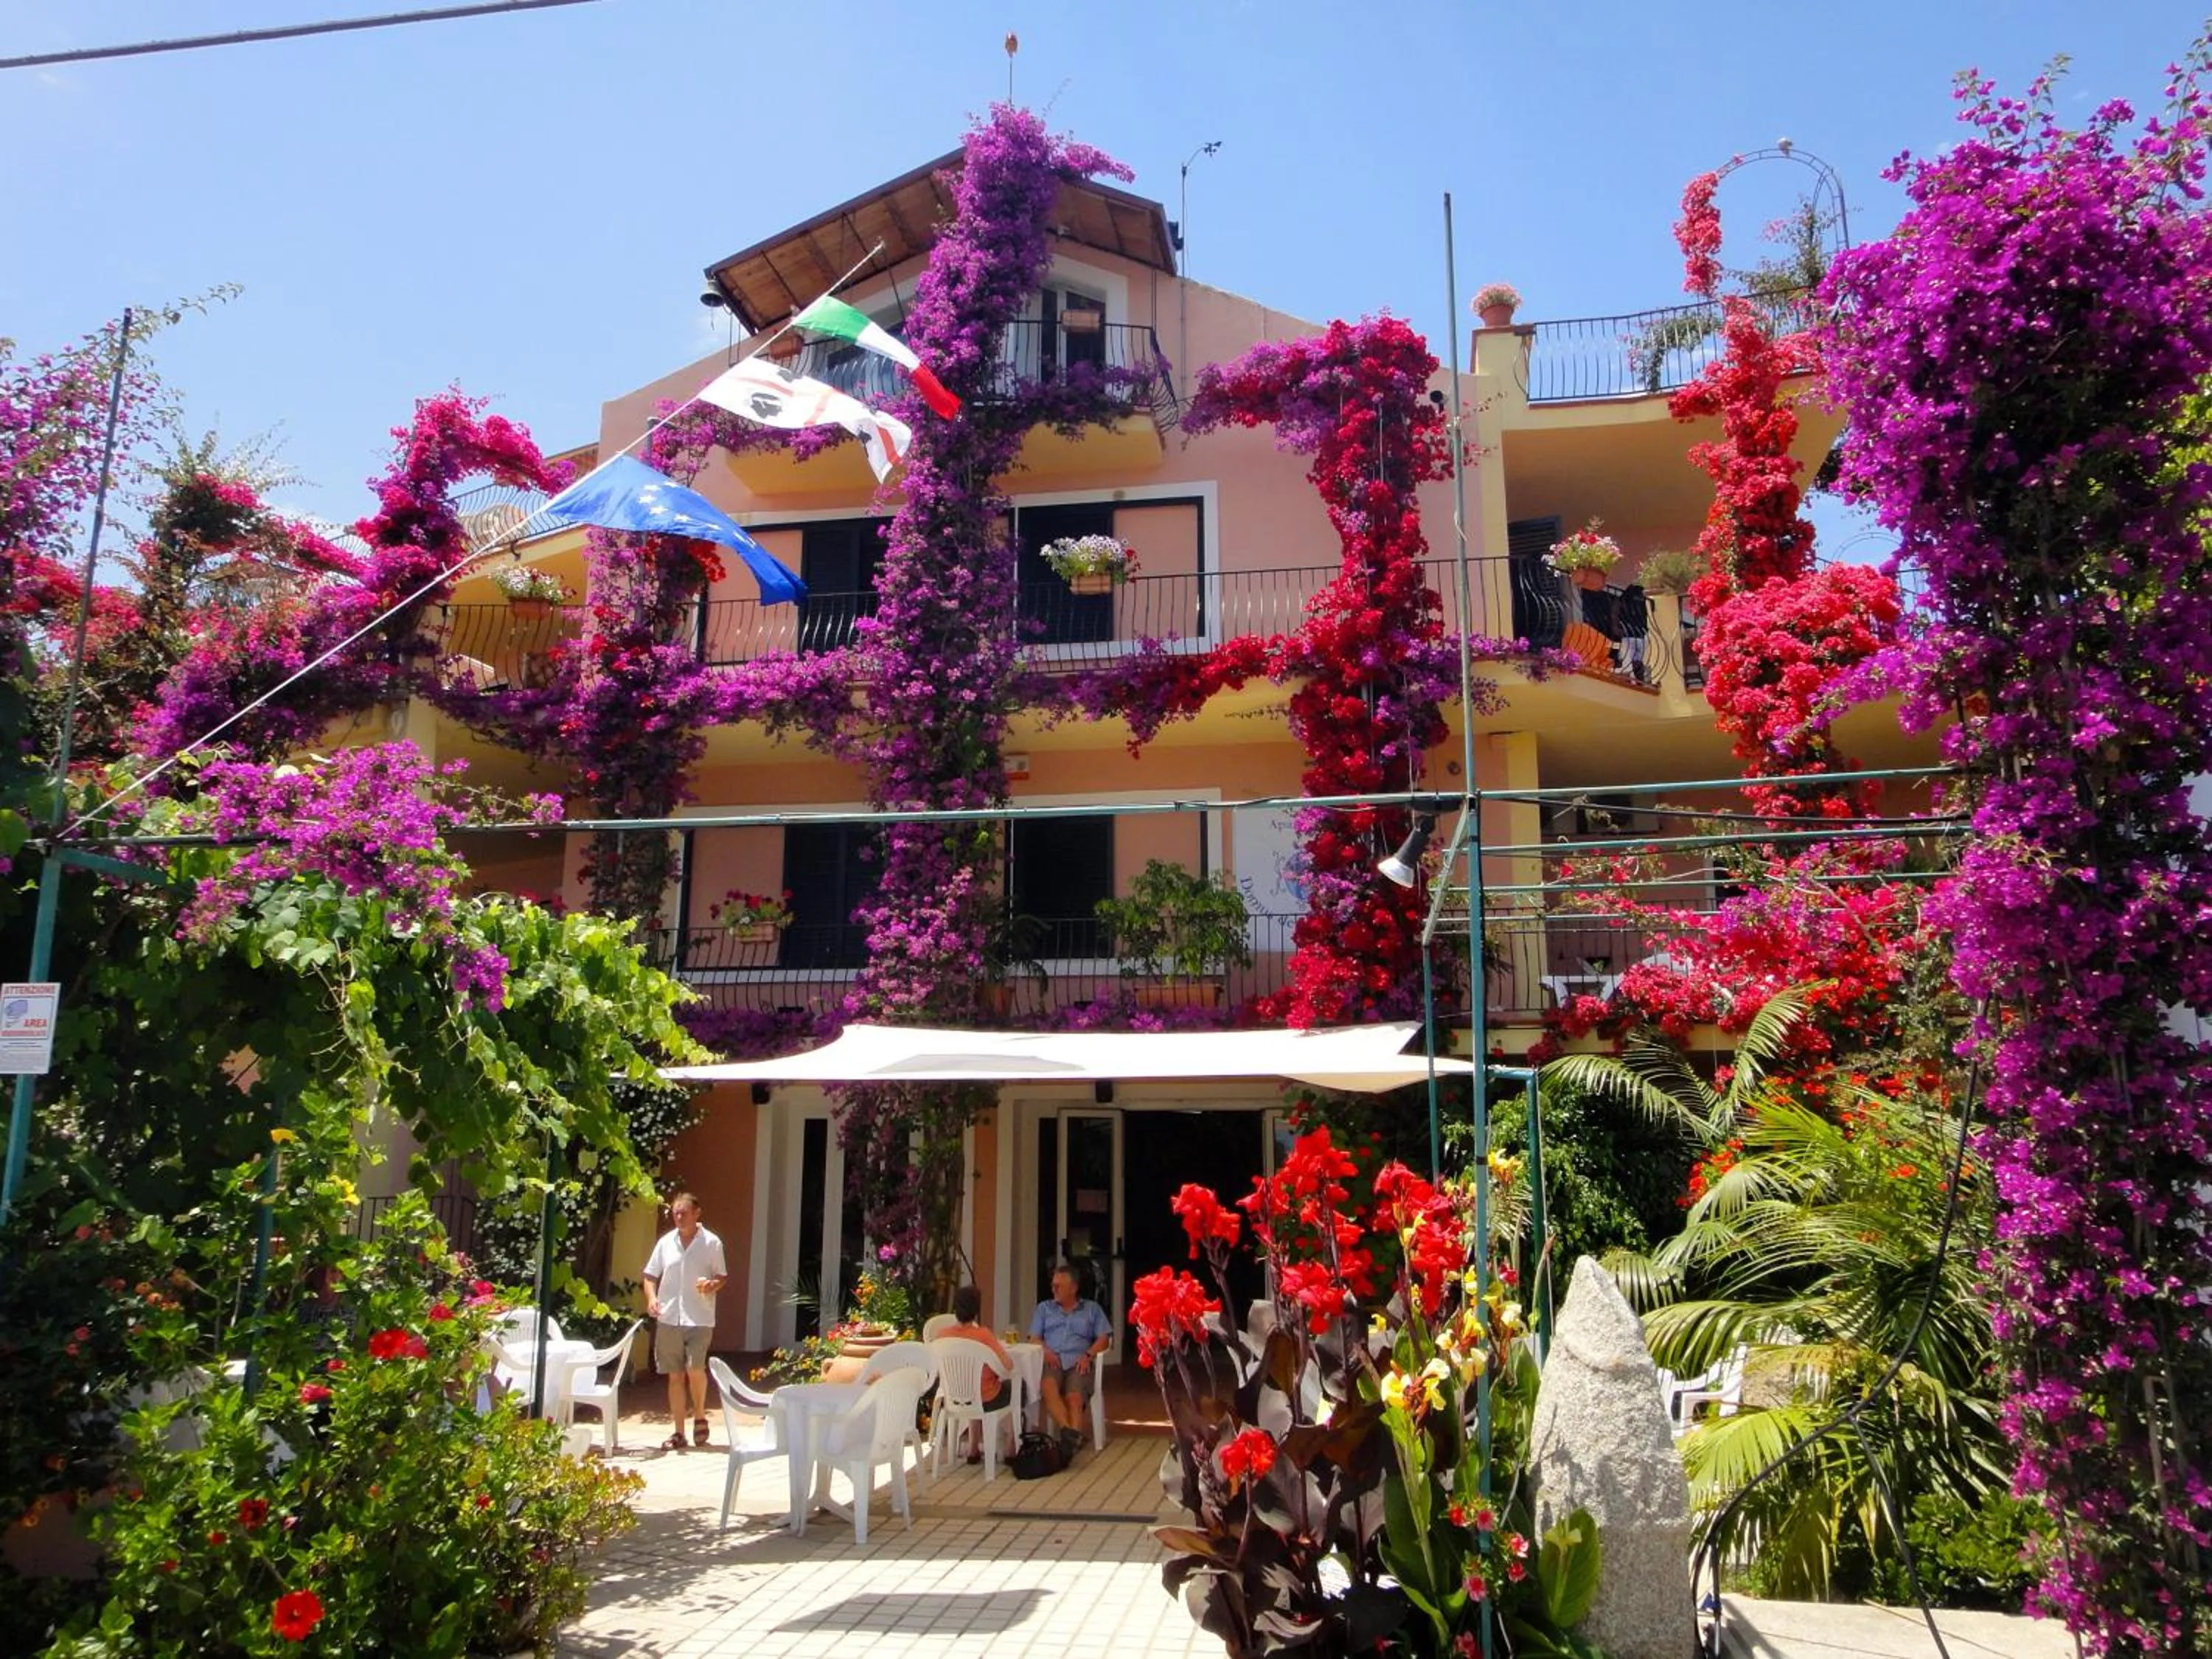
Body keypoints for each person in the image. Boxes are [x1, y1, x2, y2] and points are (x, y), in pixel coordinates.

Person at [641, 1192, 727, 1450]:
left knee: (695, 1369)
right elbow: (649, 1276)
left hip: (699, 1315)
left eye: (683, 1213)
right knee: (675, 1376)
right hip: (669, 1316)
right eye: (675, 1213)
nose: (678, 1217)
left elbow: (722, 1276)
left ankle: (700, 1415)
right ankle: (678, 1431)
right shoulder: (666, 1243)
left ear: (696, 1214)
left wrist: (713, 1285)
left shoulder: (712, 1243)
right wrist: (652, 1298)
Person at [1029, 1262, 1112, 1457]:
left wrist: (1088, 1355)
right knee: (1048, 1386)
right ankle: (1071, 1435)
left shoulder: (1091, 1309)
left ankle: (1069, 1443)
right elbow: (1034, 1338)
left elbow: (1104, 1338)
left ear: (1073, 1288)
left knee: (1074, 1397)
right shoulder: (1044, 1309)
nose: (1054, 1289)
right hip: (1052, 1361)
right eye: (1053, 1286)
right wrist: (1046, 1350)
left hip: (1078, 1362)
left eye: (1059, 1286)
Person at [936, 1284, 1017, 1463]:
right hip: (987, 1399)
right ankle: (1011, 1448)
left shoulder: (942, 1336)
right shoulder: (983, 1335)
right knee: (1018, 1388)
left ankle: (973, 1448)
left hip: (954, 1398)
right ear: (976, 1310)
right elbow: (1008, 1365)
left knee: (972, 1385)